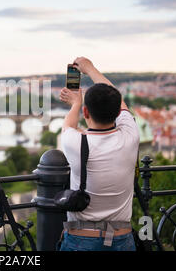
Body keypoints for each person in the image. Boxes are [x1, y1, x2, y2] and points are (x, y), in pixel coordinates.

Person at [58, 57, 139, 251]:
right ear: (119, 114)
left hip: (82, 240)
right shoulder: (131, 135)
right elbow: (120, 102)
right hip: (121, 238)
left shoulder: (76, 142)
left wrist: (75, 103)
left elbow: (68, 125)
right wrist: (91, 69)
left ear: (86, 113)